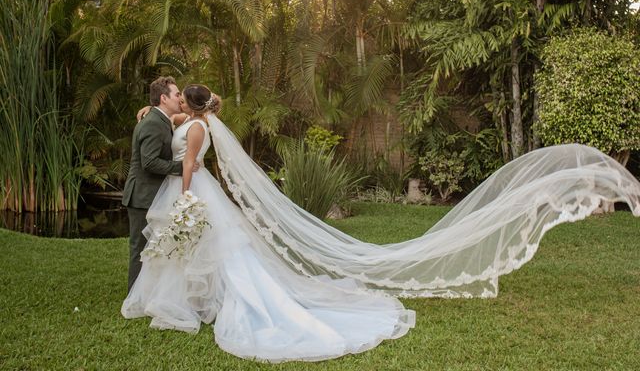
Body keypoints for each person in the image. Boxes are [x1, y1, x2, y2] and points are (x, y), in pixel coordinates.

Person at [123, 83, 640, 362]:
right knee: (213, 251)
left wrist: (188, 198)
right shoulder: (187, 122)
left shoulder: (193, 130)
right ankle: (193, 298)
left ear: (183, 104)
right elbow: (180, 142)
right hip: (198, 193)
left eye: (173, 97)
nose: (169, 102)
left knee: (226, 256)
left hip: (196, 194)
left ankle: (208, 301)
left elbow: (191, 164)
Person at [121, 76, 198, 291]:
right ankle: (133, 296)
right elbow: (149, 162)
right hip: (142, 195)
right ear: (164, 98)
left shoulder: (162, 119)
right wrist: (183, 167)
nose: (180, 98)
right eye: (176, 94)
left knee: (154, 246)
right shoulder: (154, 123)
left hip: (153, 194)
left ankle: (148, 292)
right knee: (140, 248)